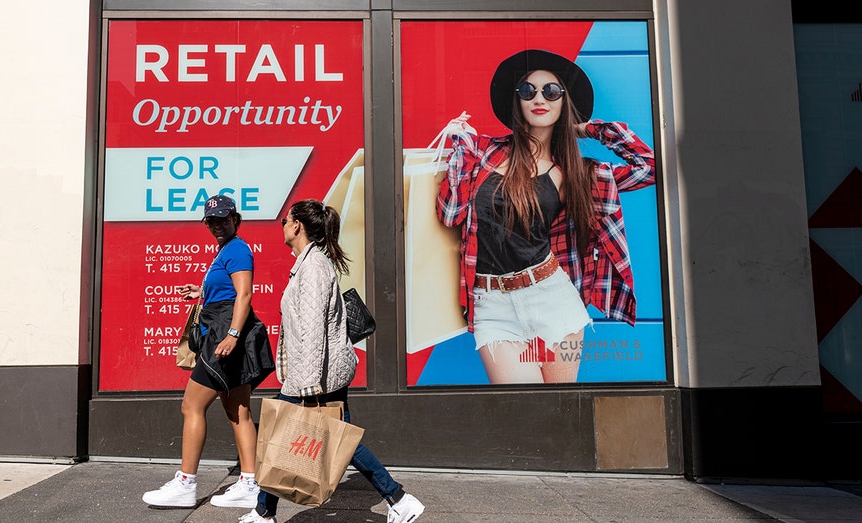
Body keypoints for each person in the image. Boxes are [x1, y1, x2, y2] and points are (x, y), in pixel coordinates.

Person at [436, 49, 655, 384]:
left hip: (553, 300)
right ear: (517, 101)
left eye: (551, 91)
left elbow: (649, 167)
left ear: (563, 103)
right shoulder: (482, 151)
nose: (539, 98)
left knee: (557, 412)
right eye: (528, 91)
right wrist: (462, 148)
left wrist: (587, 130)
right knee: (523, 412)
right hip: (492, 306)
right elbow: (450, 214)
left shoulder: (575, 174)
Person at [239, 199, 425, 523]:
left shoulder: (312, 268)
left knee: (309, 438)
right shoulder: (310, 264)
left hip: (313, 377)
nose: (282, 225)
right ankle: (397, 499)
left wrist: (308, 386)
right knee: (336, 441)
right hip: (315, 373)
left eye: (286, 220)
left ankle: (264, 512)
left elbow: (311, 329)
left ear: (297, 225)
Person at [143, 194, 274, 509]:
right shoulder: (227, 250)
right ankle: (250, 483)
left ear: (235, 219)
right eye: (211, 220)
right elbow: (229, 290)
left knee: (191, 406)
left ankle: (185, 483)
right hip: (221, 332)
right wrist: (201, 292)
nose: (217, 225)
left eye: (222, 219)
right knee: (238, 411)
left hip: (223, 337)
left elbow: (244, 295)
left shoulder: (238, 249)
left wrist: (231, 335)